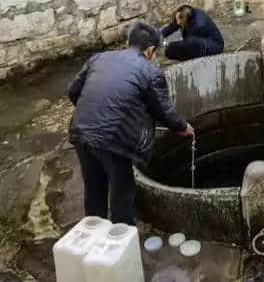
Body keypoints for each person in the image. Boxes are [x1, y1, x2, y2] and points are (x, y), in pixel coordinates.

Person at [68, 21, 194, 225]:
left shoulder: (99, 58)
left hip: (80, 132)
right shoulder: (150, 72)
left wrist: (92, 113)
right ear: (151, 50)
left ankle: (93, 240)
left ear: (128, 42)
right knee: (122, 192)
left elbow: (73, 91)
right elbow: (162, 110)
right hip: (114, 140)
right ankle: (122, 240)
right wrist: (183, 127)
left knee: (94, 188)